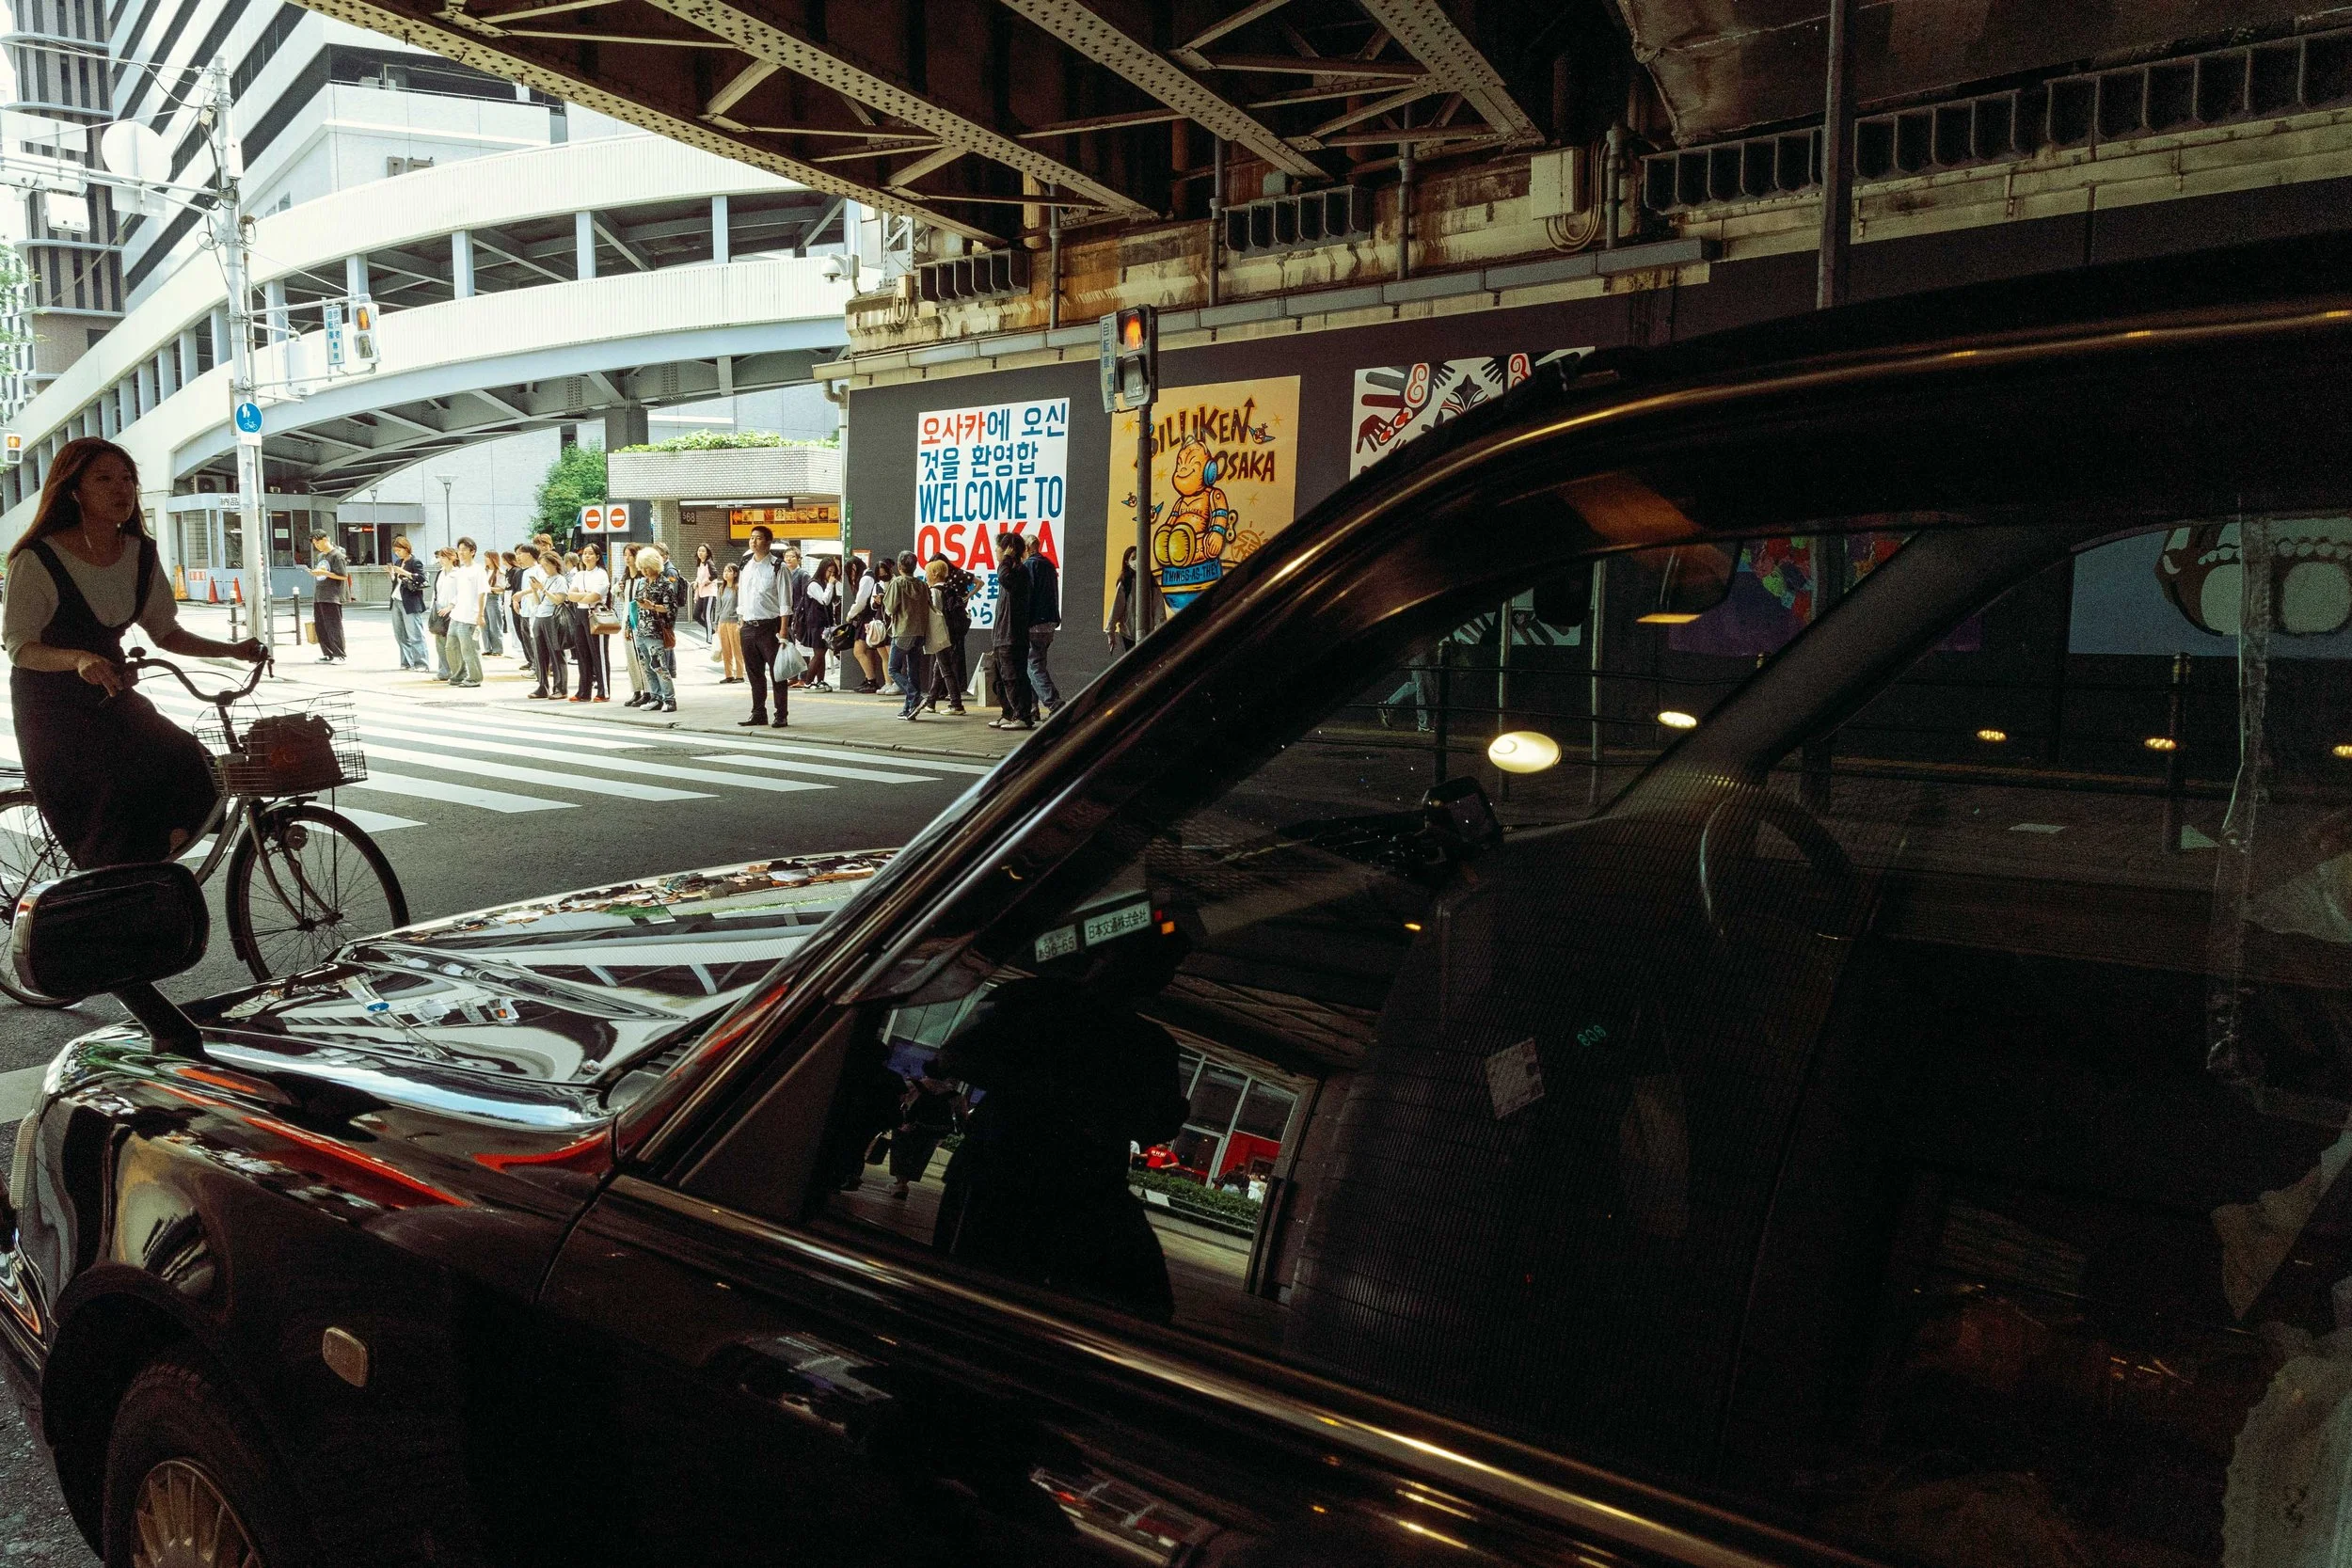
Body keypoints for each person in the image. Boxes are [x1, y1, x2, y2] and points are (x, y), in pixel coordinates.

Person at [3, 437, 265, 867]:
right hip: (51, 708)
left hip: (112, 695)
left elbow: (165, 631)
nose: (121, 489)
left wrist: (233, 649)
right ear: (74, 491)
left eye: (127, 478)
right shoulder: (38, 558)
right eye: (103, 479)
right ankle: (110, 892)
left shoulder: (139, 552)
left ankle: (153, 863)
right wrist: (78, 659)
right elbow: (20, 646)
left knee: (191, 764)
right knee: (111, 801)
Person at [930, 934, 1193, 1322]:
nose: (1155, 976)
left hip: (1023, 1176)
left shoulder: (1027, 999)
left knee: (973, 1298)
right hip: (1028, 1179)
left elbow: (950, 1058)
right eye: (1145, 961)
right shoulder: (1148, 1043)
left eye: (1162, 967)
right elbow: (953, 1058)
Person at [736, 526, 788, 728]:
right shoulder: (745, 565)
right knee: (754, 672)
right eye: (751, 538)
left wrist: (783, 631)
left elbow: (785, 602)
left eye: (758, 538)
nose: (753, 542)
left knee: (777, 673)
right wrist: (741, 621)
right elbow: (742, 596)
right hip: (748, 626)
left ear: (768, 542)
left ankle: (781, 714)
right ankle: (758, 712)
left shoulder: (778, 567)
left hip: (770, 626)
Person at [889, 1073, 962, 1200]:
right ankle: (902, 1183)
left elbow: (897, 1100)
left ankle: (901, 1184)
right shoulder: (955, 1096)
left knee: (901, 1154)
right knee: (919, 1157)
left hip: (909, 1128)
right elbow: (962, 1118)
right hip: (932, 1132)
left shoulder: (912, 1085)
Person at [989, 531, 1034, 730]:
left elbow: (1004, 577)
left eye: (999, 549)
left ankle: (1022, 716)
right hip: (1002, 635)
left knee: (1013, 677)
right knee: (1001, 679)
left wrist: (1006, 559)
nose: (996, 552)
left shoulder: (1018, 571)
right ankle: (1008, 713)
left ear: (1009, 550)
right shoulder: (1012, 570)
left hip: (1012, 636)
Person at [629, 546, 682, 712]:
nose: (645, 571)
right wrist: (629, 626)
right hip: (641, 629)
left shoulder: (665, 584)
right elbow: (634, 607)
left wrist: (652, 606)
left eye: (647, 567)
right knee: (646, 666)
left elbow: (671, 609)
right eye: (642, 567)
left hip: (656, 630)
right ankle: (655, 697)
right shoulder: (641, 583)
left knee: (659, 665)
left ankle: (670, 699)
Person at [885, 548, 932, 721]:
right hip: (920, 631)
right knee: (913, 670)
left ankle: (915, 697)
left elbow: (890, 608)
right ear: (915, 566)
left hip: (903, 631)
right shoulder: (922, 585)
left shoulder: (897, 583)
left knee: (893, 669)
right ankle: (909, 708)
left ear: (899, 566)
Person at [516, 544, 565, 700]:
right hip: (540, 616)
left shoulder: (560, 580)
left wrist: (543, 589)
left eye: (546, 565)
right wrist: (536, 591)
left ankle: (560, 687)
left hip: (552, 618)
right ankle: (542, 685)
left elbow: (558, 600)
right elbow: (538, 602)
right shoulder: (547, 579)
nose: (544, 569)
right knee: (540, 653)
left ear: (554, 564)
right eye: (542, 565)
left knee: (556, 653)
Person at [925, 557, 972, 716]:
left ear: (934, 574)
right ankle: (930, 701)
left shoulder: (934, 592)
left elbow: (934, 614)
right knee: (940, 668)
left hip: (941, 634)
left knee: (946, 670)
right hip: (953, 634)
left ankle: (956, 704)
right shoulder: (950, 589)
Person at [567, 543, 612, 702]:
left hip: (596, 614)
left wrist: (581, 595)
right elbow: (570, 595)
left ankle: (603, 691)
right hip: (580, 612)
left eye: (590, 553)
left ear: (598, 557)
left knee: (598, 653)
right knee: (582, 653)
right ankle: (583, 691)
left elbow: (595, 597)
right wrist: (583, 595)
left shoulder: (601, 574)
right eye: (584, 553)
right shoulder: (579, 575)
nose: (586, 556)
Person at [1024, 537, 1061, 718]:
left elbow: (1028, 595)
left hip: (1034, 623)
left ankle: (1054, 704)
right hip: (1050, 622)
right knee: (1036, 664)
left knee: (1033, 666)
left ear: (1028, 547)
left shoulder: (1030, 566)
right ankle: (1032, 709)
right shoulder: (1048, 564)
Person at [443, 537, 485, 688]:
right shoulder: (461, 571)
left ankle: (475, 678)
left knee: (469, 650)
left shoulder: (478, 570)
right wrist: (451, 605)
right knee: (451, 647)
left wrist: (480, 615)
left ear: (472, 552)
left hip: (469, 617)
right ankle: (458, 675)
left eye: (464, 550)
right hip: (456, 615)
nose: (461, 553)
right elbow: (460, 593)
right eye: (459, 550)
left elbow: (482, 593)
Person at [795, 555, 839, 692]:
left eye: (834, 572)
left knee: (822, 652)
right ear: (822, 570)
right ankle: (808, 682)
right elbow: (824, 600)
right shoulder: (814, 584)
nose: (831, 575)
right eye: (829, 572)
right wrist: (831, 584)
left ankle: (820, 681)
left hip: (824, 624)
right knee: (819, 653)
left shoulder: (825, 584)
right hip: (815, 624)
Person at [387, 535, 430, 671]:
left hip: (410, 601)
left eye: (399, 550)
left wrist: (404, 572)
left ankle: (421, 663)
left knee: (415, 634)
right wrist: (392, 574)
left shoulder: (415, 562)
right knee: (400, 634)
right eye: (395, 551)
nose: (397, 553)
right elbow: (398, 582)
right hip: (397, 599)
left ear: (406, 548)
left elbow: (421, 578)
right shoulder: (399, 562)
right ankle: (406, 662)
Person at [308, 530, 348, 663]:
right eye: (314, 543)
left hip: (332, 596)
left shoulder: (337, 555)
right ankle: (327, 653)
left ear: (325, 539)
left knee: (333, 626)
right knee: (321, 627)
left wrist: (325, 573)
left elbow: (343, 576)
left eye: (318, 542)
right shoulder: (320, 557)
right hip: (320, 595)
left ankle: (339, 654)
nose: (317, 545)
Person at [853, 558, 890, 693]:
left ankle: (876, 681)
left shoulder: (894, 583)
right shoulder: (876, 585)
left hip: (888, 622)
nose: (882, 575)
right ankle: (885, 682)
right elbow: (873, 605)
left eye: (884, 571)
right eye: (879, 572)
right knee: (883, 655)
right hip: (879, 622)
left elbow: (861, 601)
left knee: (888, 655)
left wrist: (851, 614)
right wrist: (877, 602)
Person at [1107, 545, 1140, 656]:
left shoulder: (1151, 583)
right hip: (1128, 634)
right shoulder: (1125, 583)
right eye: (1133, 558)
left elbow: (1158, 609)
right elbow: (1116, 609)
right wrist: (1110, 633)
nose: (1137, 561)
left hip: (1148, 634)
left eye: (1140, 557)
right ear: (1127, 562)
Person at [714, 562, 744, 683]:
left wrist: (740, 620)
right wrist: (716, 623)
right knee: (725, 650)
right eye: (725, 571)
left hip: (734, 622)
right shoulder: (721, 589)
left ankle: (740, 675)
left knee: (737, 649)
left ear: (735, 574)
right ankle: (728, 675)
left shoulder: (737, 588)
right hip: (722, 622)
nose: (726, 574)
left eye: (729, 571)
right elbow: (718, 607)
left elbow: (741, 605)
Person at [477, 547, 508, 658]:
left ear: (493, 558)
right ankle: (487, 648)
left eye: (488, 557)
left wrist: (489, 588)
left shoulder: (500, 572)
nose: (486, 560)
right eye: (485, 557)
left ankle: (497, 648)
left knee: (495, 624)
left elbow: (502, 588)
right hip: (482, 598)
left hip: (493, 598)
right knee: (484, 625)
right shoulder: (482, 571)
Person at [691, 542, 719, 640]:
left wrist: (708, 581)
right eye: (699, 551)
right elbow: (699, 578)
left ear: (707, 553)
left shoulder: (709, 563)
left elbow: (715, 574)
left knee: (707, 616)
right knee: (696, 615)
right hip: (702, 594)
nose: (700, 553)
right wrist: (696, 582)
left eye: (703, 551)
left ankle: (710, 639)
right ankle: (713, 632)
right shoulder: (700, 564)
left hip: (710, 593)